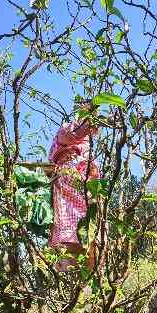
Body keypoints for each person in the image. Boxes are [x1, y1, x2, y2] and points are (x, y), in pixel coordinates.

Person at [47, 100, 100, 271]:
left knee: (89, 227)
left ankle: (90, 275)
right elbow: (72, 133)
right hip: (68, 178)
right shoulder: (67, 129)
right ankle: (69, 265)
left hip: (82, 180)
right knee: (70, 226)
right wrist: (88, 119)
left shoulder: (86, 142)